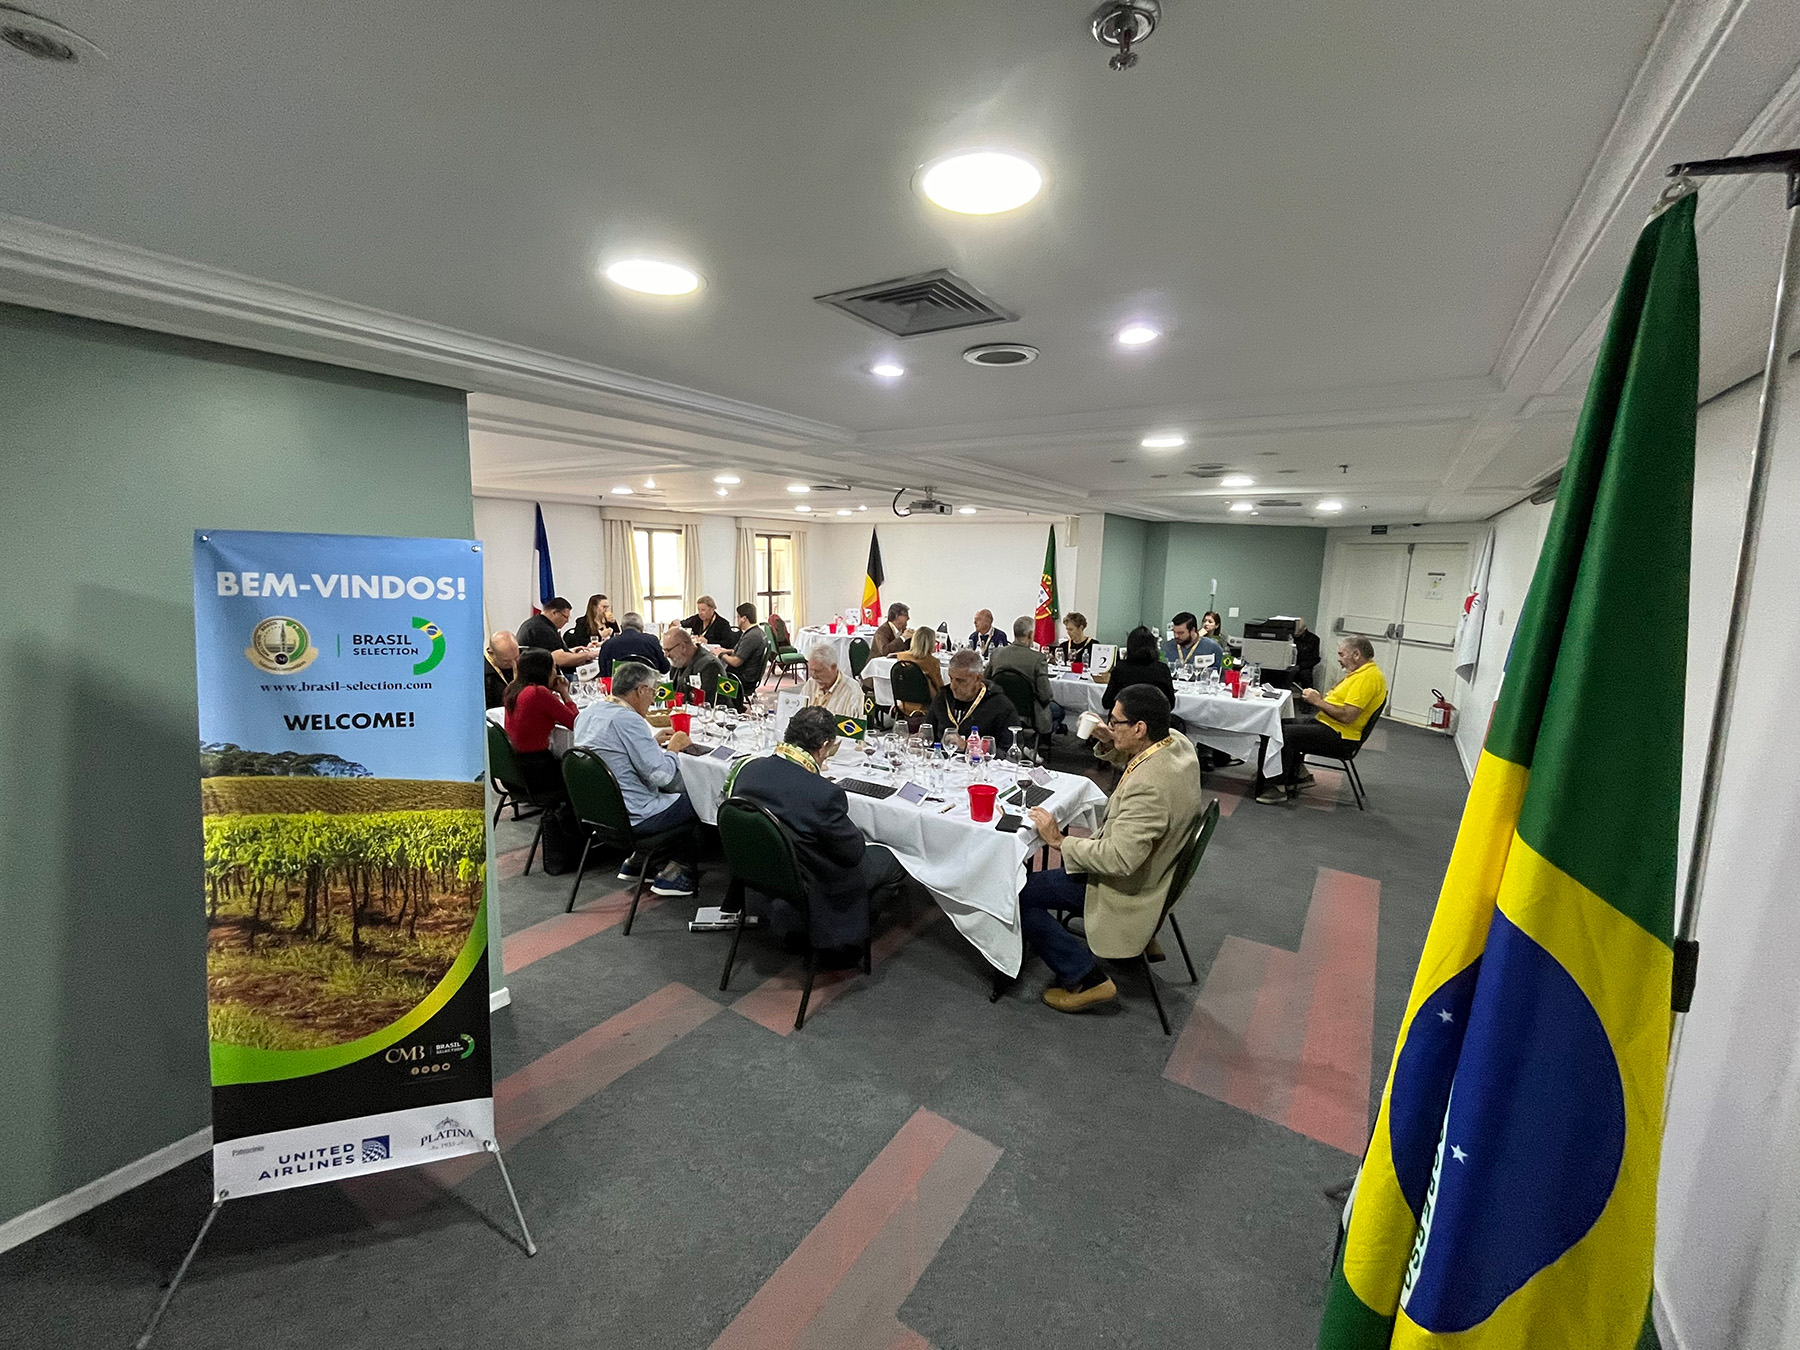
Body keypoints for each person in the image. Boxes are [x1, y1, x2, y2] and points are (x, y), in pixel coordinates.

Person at [1023, 684, 1202, 1012]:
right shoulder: (1178, 743)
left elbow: (1120, 859)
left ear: (1139, 728)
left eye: (1116, 721)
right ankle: (1139, 942)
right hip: (1163, 869)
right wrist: (1111, 739)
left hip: (1130, 885)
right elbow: (1139, 759)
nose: (1111, 724)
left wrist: (1059, 841)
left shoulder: (1149, 787)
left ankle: (1086, 978)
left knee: (1021, 893)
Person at [728, 705, 913, 954]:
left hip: (760, 872)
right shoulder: (822, 794)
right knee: (897, 860)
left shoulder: (747, 770)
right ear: (825, 745)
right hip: (810, 882)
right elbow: (852, 854)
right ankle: (844, 937)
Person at [570, 660, 702, 896]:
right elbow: (661, 775)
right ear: (641, 690)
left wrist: (651, 743)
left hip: (600, 813)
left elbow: (616, 757)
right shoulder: (629, 720)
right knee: (699, 794)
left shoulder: (587, 714)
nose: (653, 700)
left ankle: (640, 861)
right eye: (653, 692)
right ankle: (677, 873)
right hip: (635, 815)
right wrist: (674, 748)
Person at [1258, 635, 1387, 805]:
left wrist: (1318, 701)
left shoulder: (1367, 678)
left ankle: (1278, 786)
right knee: (1276, 726)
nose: (1339, 660)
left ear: (1356, 654)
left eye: (1341, 654)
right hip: (1330, 725)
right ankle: (1297, 775)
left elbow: (1348, 716)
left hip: (1342, 735)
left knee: (1283, 733)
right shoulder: (1362, 673)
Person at [502, 648, 577, 801]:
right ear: (545, 671)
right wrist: (564, 693)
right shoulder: (538, 693)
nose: (556, 672)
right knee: (579, 769)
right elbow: (575, 722)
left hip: (513, 768)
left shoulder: (513, 689)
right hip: (537, 770)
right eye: (554, 667)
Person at [925, 649, 1020, 755]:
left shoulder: (999, 706)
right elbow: (928, 734)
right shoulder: (943, 697)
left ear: (978, 678)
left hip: (981, 767)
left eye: (961, 681)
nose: (953, 686)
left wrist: (968, 748)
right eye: (951, 678)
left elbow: (1009, 753)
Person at [989, 615, 1053, 738]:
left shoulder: (997, 654)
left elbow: (986, 682)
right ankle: (1034, 743)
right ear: (1030, 635)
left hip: (999, 706)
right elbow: (1045, 695)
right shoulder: (1038, 659)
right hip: (1028, 712)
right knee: (1058, 710)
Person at [1098, 626, 1176, 713]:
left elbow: (1106, 702)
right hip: (1154, 722)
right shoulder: (1162, 669)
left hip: (1124, 721)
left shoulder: (1120, 669)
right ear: (1154, 646)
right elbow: (1170, 704)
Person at [517, 598, 599, 670]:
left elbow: (550, 652)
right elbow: (559, 659)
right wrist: (587, 655)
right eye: (565, 617)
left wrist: (570, 651)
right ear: (554, 613)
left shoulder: (536, 624)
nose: (567, 621)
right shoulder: (542, 629)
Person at [661, 625, 726, 705]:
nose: (666, 655)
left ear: (682, 647)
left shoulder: (710, 666)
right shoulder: (678, 662)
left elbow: (706, 704)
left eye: (668, 650)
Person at [796, 645, 865, 718]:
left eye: (818, 671)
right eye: (811, 670)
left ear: (833, 667)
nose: (814, 676)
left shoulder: (852, 690)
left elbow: (859, 724)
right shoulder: (811, 683)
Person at [891, 625, 944, 715]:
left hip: (904, 702)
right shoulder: (932, 662)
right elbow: (939, 686)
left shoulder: (902, 656)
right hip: (925, 704)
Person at [595, 611, 669, 676]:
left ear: (621, 628)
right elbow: (665, 668)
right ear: (642, 628)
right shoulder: (652, 641)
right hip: (648, 688)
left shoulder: (607, 645)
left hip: (619, 689)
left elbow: (604, 674)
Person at [719, 602, 768, 690]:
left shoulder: (750, 637)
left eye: (738, 617)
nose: (737, 619)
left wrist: (721, 655)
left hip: (740, 681)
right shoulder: (758, 633)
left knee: (711, 676)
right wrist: (726, 651)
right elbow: (743, 652)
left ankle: (722, 701)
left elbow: (736, 662)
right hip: (748, 677)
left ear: (744, 618)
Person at [484, 630, 520, 709]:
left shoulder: (524, 659)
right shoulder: (483, 676)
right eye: (506, 661)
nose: (513, 664)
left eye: (516, 657)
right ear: (491, 653)